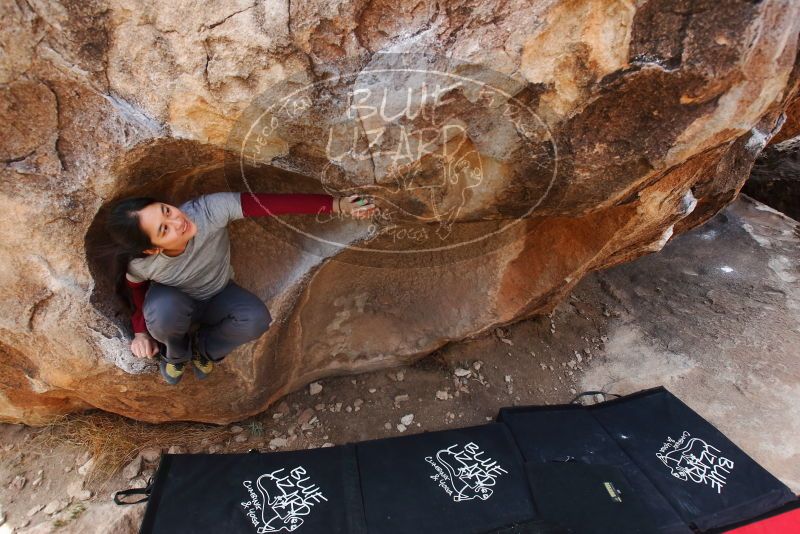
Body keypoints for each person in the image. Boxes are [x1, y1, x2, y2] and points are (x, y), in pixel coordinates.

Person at [105, 191, 377, 384]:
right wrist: (140, 332)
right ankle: (175, 354)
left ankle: (205, 349)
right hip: (176, 303)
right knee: (165, 310)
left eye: (167, 210)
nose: (177, 221)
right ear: (152, 248)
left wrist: (338, 204)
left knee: (256, 319)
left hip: (218, 293)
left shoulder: (209, 210)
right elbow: (136, 292)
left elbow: (269, 203)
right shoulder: (142, 265)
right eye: (164, 229)